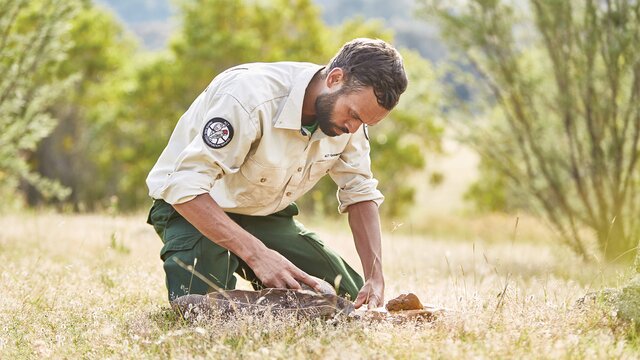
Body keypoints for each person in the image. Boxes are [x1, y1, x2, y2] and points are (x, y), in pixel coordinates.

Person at [146, 38, 408, 309]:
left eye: (364, 122)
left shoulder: (350, 120)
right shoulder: (248, 95)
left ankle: (270, 306)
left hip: (265, 215)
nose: (353, 129)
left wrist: (375, 276)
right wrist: (258, 255)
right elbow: (184, 187)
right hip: (194, 210)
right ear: (335, 78)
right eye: (353, 115)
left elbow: (359, 192)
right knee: (203, 310)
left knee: (347, 302)